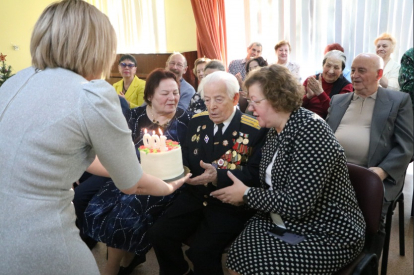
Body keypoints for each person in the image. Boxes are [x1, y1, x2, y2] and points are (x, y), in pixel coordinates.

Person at [0, 1, 190, 275]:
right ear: (98, 47)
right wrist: (172, 185)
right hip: (37, 233)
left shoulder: (15, 81)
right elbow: (131, 183)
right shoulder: (92, 95)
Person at [211, 64, 366, 274]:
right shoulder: (276, 130)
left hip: (325, 230)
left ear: (277, 98)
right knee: (237, 260)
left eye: (255, 101)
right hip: (280, 218)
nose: (249, 108)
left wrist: (246, 194)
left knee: (261, 269)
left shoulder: (312, 133)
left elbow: (298, 204)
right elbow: (269, 183)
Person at [148, 71, 267, 275]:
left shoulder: (254, 129)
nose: (211, 106)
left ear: (235, 98)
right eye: (207, 99)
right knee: (159, 233)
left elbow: (256, 175)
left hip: (228, 203)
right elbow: (185, 156)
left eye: (218, 99)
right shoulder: (197, 121)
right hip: (194, 195)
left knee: (202, 252)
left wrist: (217, 176)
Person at [76, 69, 191, 275]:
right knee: (96, 208)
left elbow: (186, 160)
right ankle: (129, 256)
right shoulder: (134, 116)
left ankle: (112, 268)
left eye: (175, 93)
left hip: (163, 185)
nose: (172, 98)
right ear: (149, 95)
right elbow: (116, 149)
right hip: (130, 175)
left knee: (124, 216)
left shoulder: (186, 120)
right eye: (165, 93)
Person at [326, 53, 413, 259]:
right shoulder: (338, 100)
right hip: (337, 172)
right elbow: (325, 138)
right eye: (353, 70)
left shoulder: (398, 100)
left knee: (370, 217)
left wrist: (382, 171)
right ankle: (327, 255)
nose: (355, 75)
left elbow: (406, 145)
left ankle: (365, 263)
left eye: (361, 71)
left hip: (375, 173)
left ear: (379, 74)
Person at [302, 50, 353, 118]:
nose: (331, 71)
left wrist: (320, 93)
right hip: (302, 119)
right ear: (323, 66)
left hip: (326, 124)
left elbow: (337, 113)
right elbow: (295, 106)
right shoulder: (311, 80)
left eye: (336, 68)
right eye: (328, 66)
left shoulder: (346, 86)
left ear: (341, 71)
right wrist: (308, 97)